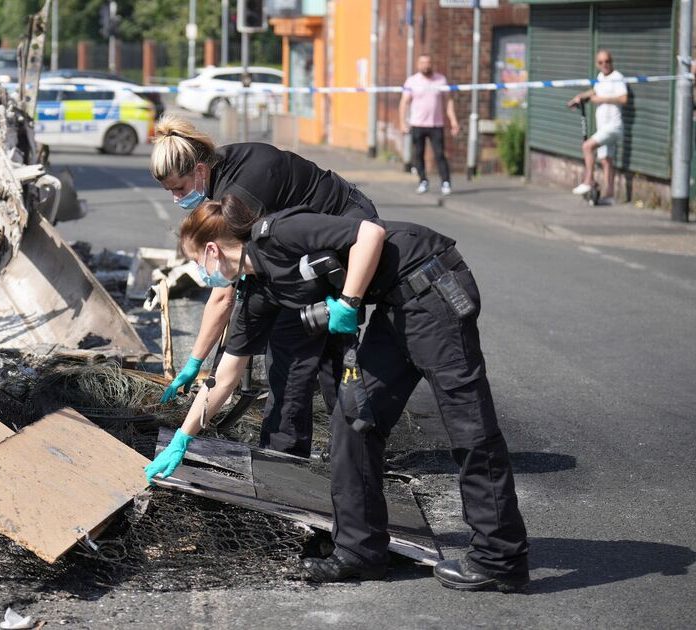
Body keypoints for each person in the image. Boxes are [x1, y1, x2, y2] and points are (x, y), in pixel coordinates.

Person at [145, 195, 529, 592]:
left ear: (212, 250)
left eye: (196, 261)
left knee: (469, 426)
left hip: (431, 287)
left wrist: (349, 301)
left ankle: (500, 556)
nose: (199, 272)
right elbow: (224, 377)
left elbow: (370, 232)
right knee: (354, 417)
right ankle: (361, 550)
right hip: (394, 308)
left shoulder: (279, 232)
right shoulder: (258, 289)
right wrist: (182, 440)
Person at [150, 115, 378, 456]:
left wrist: (196, 364)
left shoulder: (238, 195)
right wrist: (196, 363)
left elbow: (223, 293)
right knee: (326, 345)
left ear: (198, 170)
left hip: (346, 231)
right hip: (310, 245)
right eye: (169, 191)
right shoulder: (219, 169)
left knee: (289, 345)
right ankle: (356, 444)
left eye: (178, 189)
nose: (175, 199)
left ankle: (283, 454)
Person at [568, 49, 627, 204]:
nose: (604, 65)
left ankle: (588, 180)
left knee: (587, 147)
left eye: (607, 61)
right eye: (601, 62)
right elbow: (595, 91)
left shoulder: (617, 77)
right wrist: (580, 97)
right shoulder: (601, 77)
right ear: (597, 64)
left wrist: (601, 99)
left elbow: (623, 98)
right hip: (603, 127)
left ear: (611, 62)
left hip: (613, 126)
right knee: (606, 160)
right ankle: (609, 195)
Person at [399, 55, 460, 196]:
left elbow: (449, 101)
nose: (425, 65)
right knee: (418, 154)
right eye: (422, 63)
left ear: (432, 64)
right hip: (417, 124)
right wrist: (402, 123)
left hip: (436, 124)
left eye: (428, 62)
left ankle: (446, 182)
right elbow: (404, 103)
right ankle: (423, 181)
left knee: (439, 154)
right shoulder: (412, 81)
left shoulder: (441, 80)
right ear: (418, 64)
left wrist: (453, 121)